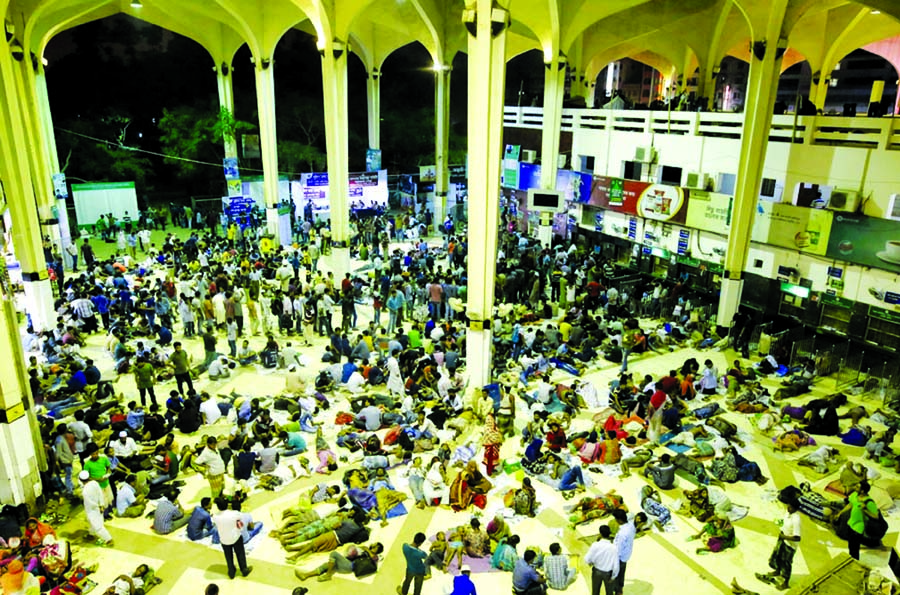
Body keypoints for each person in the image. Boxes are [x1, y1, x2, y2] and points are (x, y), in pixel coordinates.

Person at [756, 500, 801, 590]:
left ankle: (785, 582)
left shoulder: (796, 520)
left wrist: (784, 537)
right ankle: (777, 570)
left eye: (790, 507)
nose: (788, 507)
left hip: (789, 545)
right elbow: (783, 522)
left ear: (795, 509)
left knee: (786, 563)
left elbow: (797, 538)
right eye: (788, 505)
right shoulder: (788, 513)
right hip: (782, 539)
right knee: (777, 557)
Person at [212, 497, 253, 579]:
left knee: (228, 556)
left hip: (224, 540)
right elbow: (241, 518)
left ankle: (231, 571)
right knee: (240, 553)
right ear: (227, 505)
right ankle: (244, 569)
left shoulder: (215, 516)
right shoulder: (234, 514)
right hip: (236, 538)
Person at [840, 479, 878, 560]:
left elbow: (876, 516)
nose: (855, 487)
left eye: (857, 487)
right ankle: (851, 558)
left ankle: (855, 561)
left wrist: (865, 510)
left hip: (858, 528)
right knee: (850, 545)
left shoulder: (869, 502)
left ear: (862, 491)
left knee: (855, 548)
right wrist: (840, 513)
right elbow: (850, 504)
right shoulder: (855, 495)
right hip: (851, 524)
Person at [80, 470, 113, 546]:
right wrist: (101, 504)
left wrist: (98, 506)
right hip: (99, 506)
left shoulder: (85, 491)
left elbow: (90, 503)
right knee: (92, 522)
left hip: (92, 510)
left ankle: (108, 539)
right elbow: (100, 493)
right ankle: (91, 534)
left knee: (98, 526)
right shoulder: (95, 483)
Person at [584, 525, 618, 595]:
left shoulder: (595, 545)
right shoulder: (614, 547)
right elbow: (616, 564)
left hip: (597, 572)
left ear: (600, 534)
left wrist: (590, 562)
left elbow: (587, 559)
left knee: (595, 592)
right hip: (608, 573)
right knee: (609, 592)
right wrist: (614, 576)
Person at [611, 509, 635, 593]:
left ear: (619, 520)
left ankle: (618, 590)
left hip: (620, 557)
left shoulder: (622, 534)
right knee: (622, 573)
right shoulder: (631, 526)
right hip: (626, 554)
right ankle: (620, 588)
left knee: (616, 574)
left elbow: (619, 549)